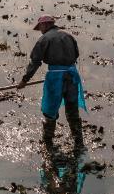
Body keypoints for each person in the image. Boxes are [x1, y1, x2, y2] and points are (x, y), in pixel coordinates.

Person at [18, 15, 86, 148]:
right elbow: (76, 54)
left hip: (56, 78)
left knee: (50, 110)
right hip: (72, 76)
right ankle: (79, 142)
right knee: (72, 110)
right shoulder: (69, 36)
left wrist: (25, 80)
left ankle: (47, 141)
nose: (40, 30)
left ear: (45, 25)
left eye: (41, 27)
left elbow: (35, 62)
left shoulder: (44, 39)